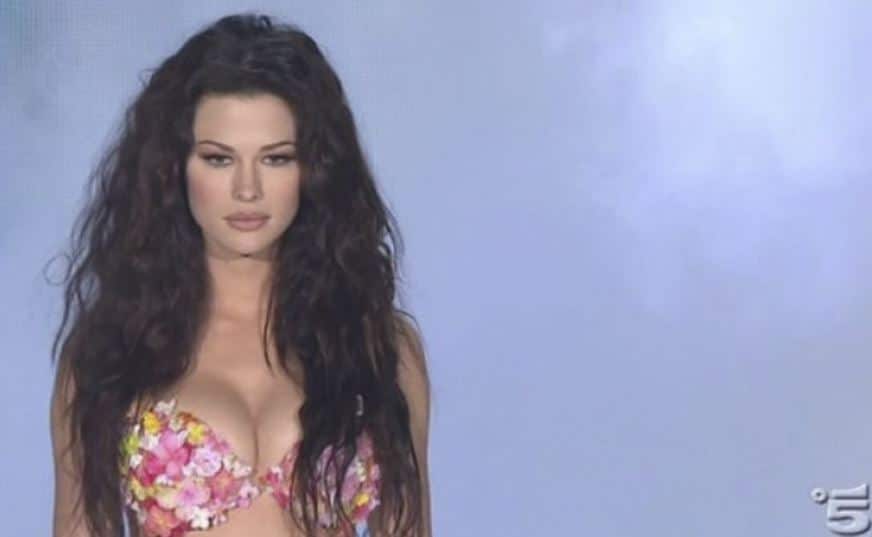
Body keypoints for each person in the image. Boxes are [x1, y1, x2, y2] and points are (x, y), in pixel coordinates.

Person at [48, 12, 432, 537]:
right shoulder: (108, 355)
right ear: (173, 170)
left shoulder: (380, 348)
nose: (247, 190)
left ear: (314, 170)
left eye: (276, 159)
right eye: (218, 159)